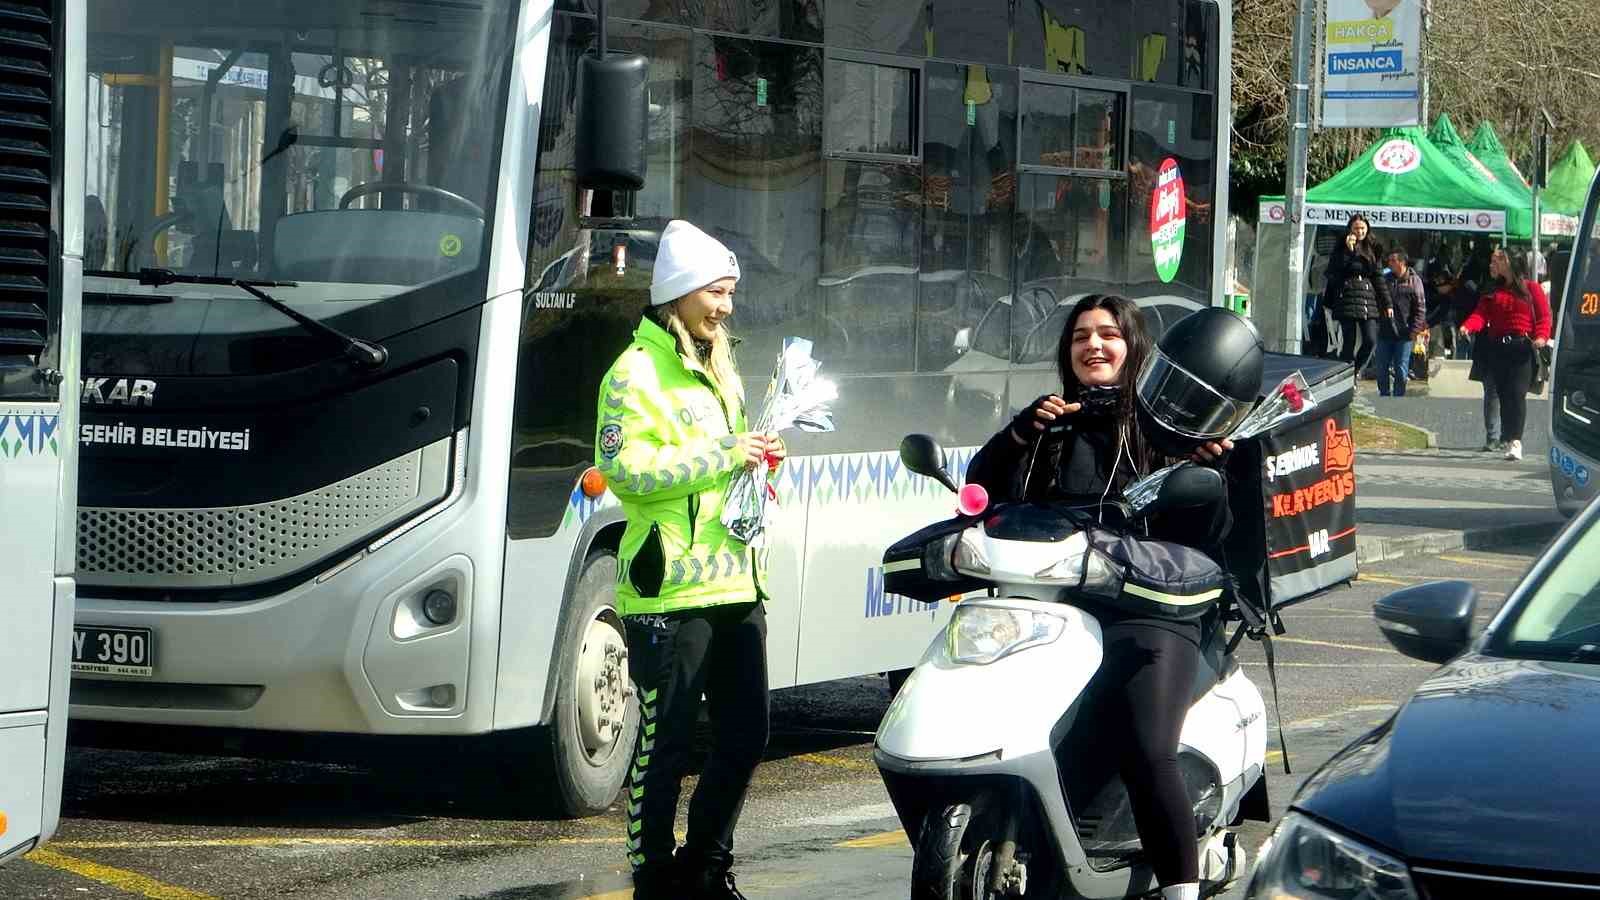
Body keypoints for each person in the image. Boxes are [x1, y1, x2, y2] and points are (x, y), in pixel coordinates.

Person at [965, 296, 1242, 900]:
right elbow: (978, 491)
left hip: (1152, 608)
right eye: (1080, 336)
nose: (1093, 345)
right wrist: (1018, 434)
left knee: (1147, 750)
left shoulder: (1168, 427)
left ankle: (1180, 889)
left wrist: (1206, 475)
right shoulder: (1047, 426)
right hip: (1053, 608)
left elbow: (1209, 535)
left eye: (1109, 335)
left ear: (1134, 347)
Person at [594, 220, 785, 900]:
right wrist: (727, 453)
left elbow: (724, 470)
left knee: (746, 735)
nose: (726, 307)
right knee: (666, 744)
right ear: (677, 293)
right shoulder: (632, 373)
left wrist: (760, 462)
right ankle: (653, 877)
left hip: (737, 582)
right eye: (715, 292)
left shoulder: (719, 366)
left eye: (731, 293)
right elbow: (624, 472)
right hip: (670, 589)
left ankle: (706, 868)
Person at [1460, 247, 1552, 462]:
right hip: (1498, 349)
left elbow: (1544, 317)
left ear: (1513, 262)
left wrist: (1541, 337)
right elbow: (1481, 314)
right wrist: (1468, 326)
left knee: (1517, 395)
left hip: (1522, 348)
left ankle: (1516, 441)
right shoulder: (1494, 290)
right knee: (1503, 396)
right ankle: (1508, 437)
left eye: (1501, 259)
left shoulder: (1532, 288)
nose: (1496, 262)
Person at [1320, 215, 1389, 378]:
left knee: (1370, 339)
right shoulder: (1341, 247)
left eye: (1362, 228)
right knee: (1348, 341)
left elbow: (1378, 277)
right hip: (1347, 297)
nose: (1360, 231)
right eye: (1356, 228)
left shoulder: (1373, 247)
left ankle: (1357, 370)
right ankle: (1346, 375)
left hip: (1367, 297)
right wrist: (1349, 251)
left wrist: (1387, 303)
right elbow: (1334, 271)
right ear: (1350, 229)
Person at [1377, 250, 1427, 396]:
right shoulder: (1385, 279)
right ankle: (1384, 396)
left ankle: (1399, 397)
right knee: (1381, 367)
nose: (1389, 263)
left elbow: (1420, 309)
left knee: (1400, 368)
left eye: (1393, 260)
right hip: (1385, 331)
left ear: (1402, 262)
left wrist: (1415, 331)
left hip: (1405, 333)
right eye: (1389, 260)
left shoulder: (1414, 281)